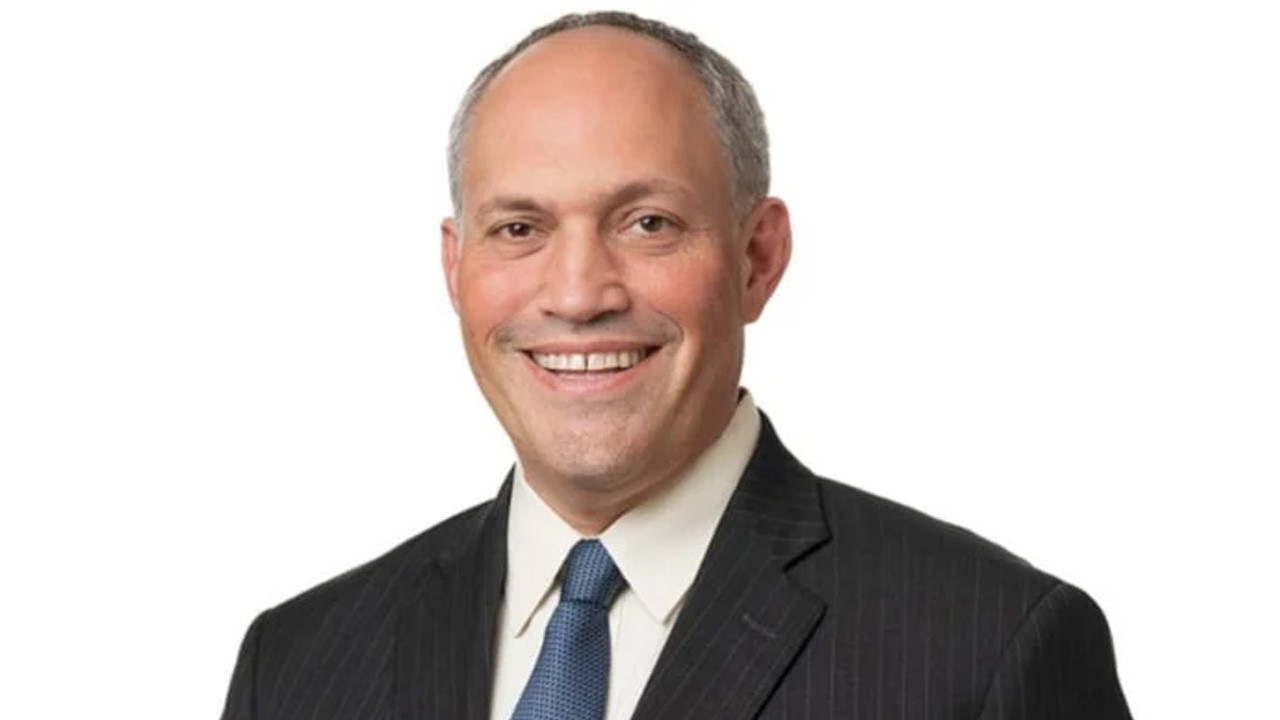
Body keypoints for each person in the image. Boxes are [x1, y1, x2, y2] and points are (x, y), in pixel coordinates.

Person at [221, 11, 1130, 720]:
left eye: (647, 223)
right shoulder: (296, 666)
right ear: (456, 269)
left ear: (757, 258)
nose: (577, 294)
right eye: (520, 228)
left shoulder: (985, 650)